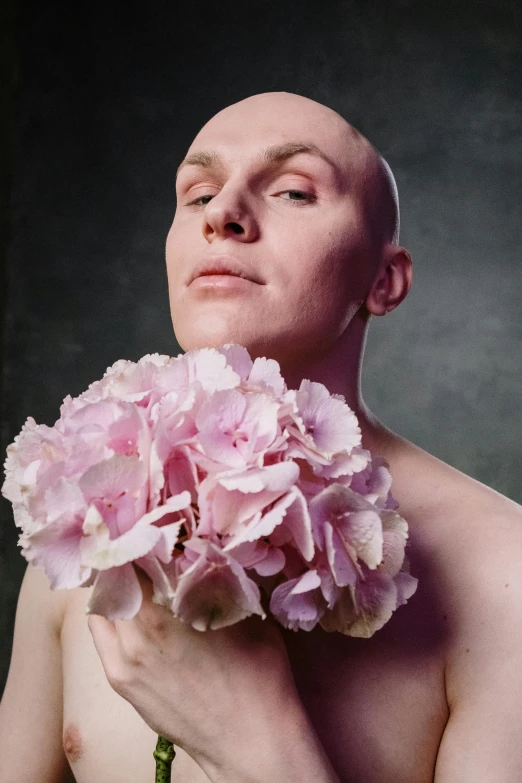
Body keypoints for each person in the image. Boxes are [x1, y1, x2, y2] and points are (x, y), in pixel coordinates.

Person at [1, 91, 521, 783]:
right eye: (199, 192)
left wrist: (255, 739)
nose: (223, 214)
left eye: (294, 191)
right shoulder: (84, 523)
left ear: (384, 279)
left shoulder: (503, 574)